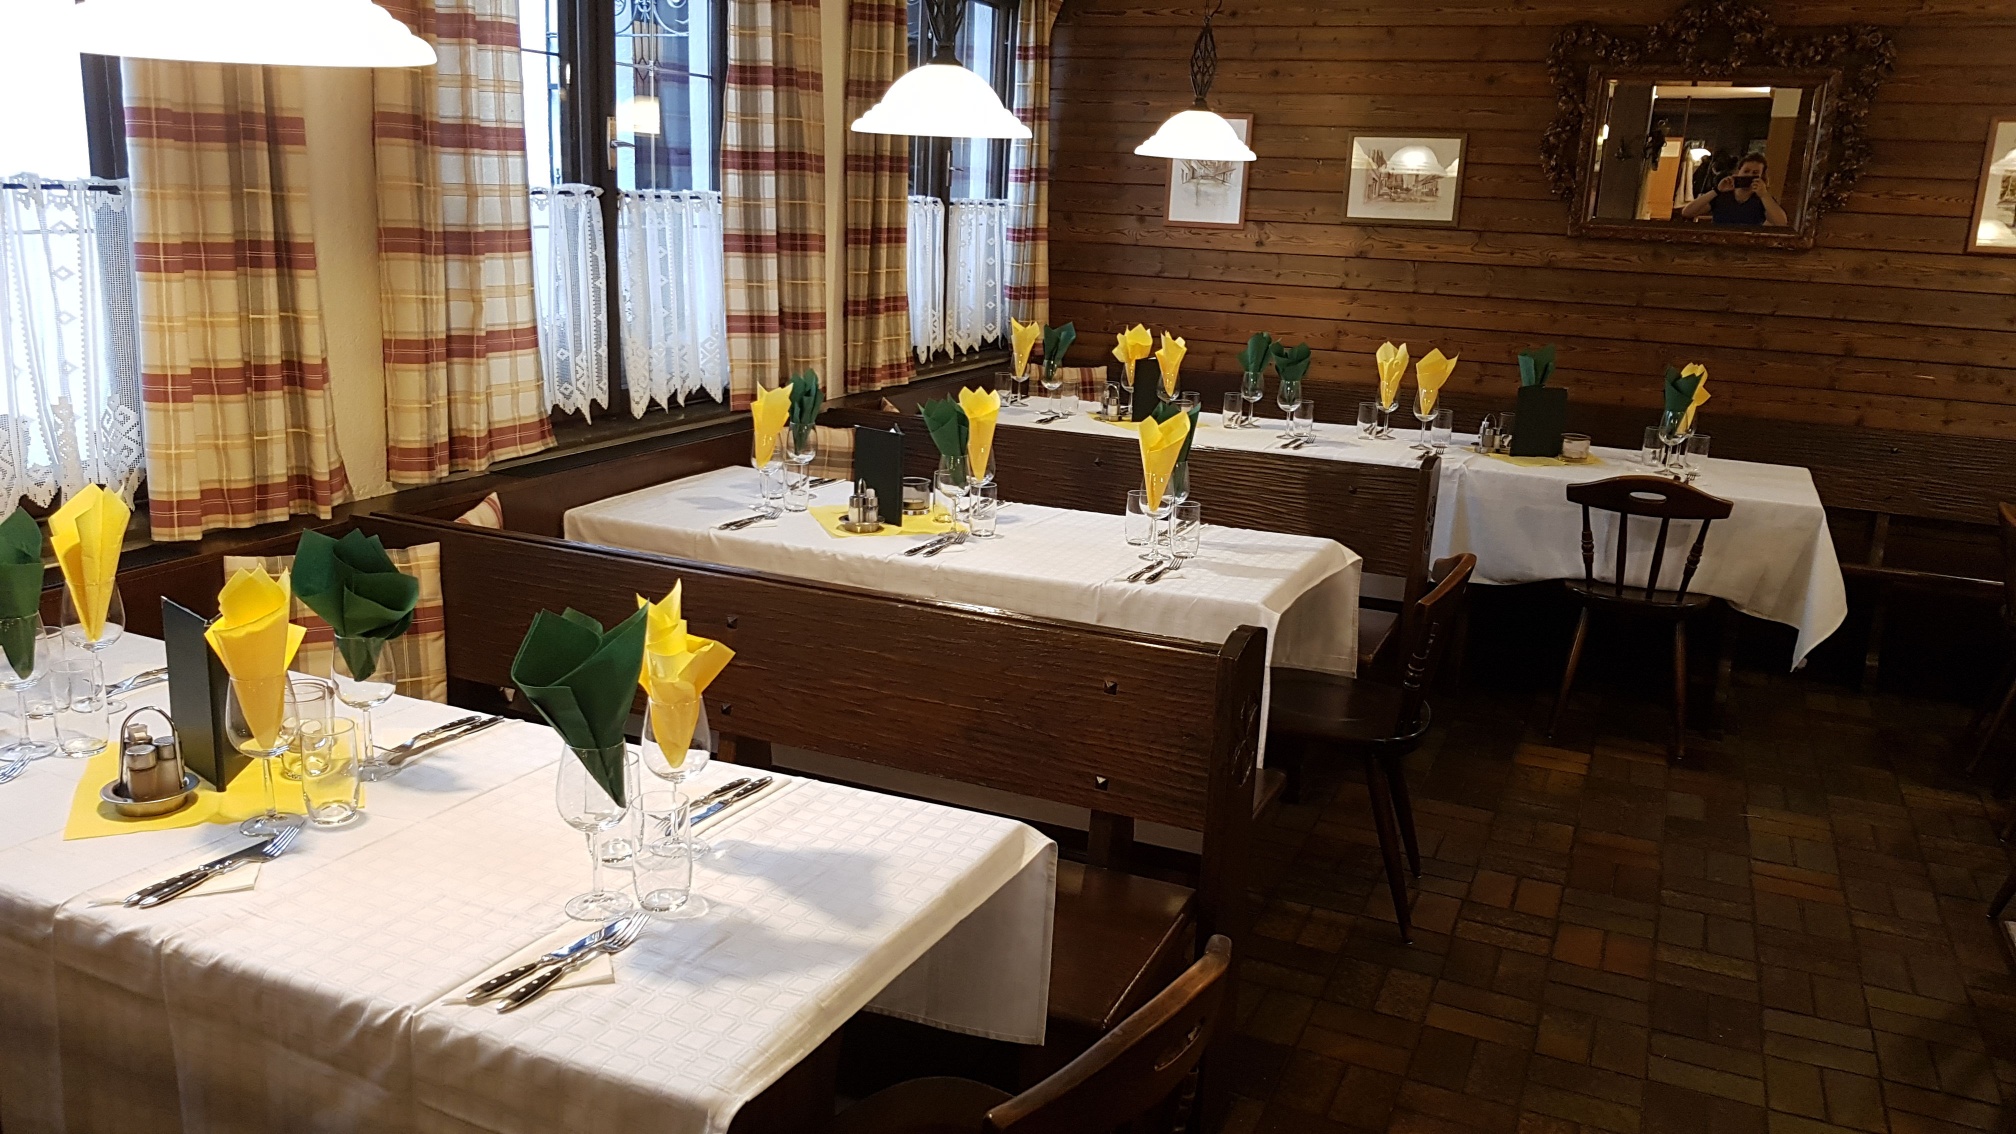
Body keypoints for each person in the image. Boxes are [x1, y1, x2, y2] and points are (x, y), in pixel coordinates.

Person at [1680, 153, 1788, 226]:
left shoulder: (1761, 200)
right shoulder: (1722, 196)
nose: (1749, 175)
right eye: (1746, 171)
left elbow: (1781, 223)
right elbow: (1687, 212)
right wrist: (1716, 191)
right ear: (1738, 172)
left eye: (1755, 173)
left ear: (1761, 176)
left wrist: (1764, 195)